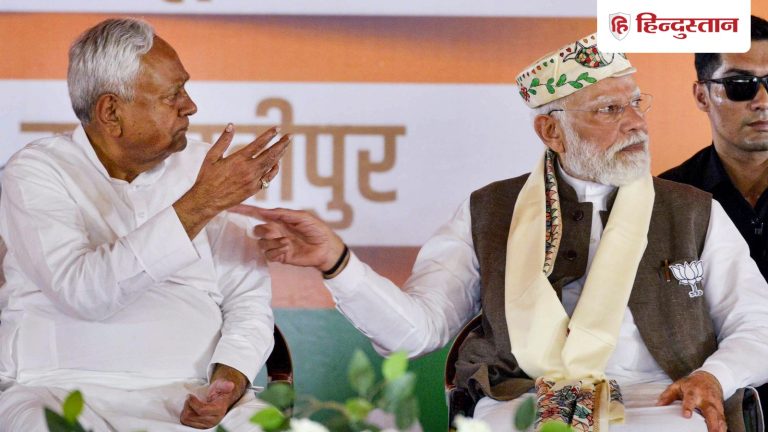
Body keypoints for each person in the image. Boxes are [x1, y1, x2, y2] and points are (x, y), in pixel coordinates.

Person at [236, 33, 768, 432]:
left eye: (636, 103)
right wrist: (338, 263)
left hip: (663, 401)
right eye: (610, 109)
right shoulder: (489, 211)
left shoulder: (692, 210)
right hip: (528, 399)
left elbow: (757, 324)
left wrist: (715, 376)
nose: (636, 122)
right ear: (551, 130)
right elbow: (416, 332)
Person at [0, 18, 289, 431]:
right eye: (173, 95)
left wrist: (228, 383)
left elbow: (247, 300)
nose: (190, 106)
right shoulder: (37, 171)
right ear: (111, 112)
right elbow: (83, 293)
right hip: (59, 391)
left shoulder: (204, 168)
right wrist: (200, 204)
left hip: (191, 396)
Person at [659, 15, 768, 419]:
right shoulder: (662, 201)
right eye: (741, 85)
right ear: (702, 95)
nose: (762, 100)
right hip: (706, 405)